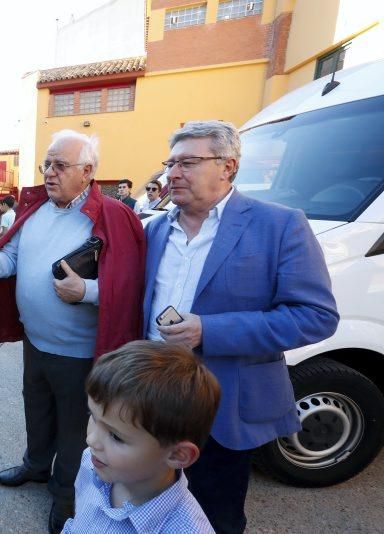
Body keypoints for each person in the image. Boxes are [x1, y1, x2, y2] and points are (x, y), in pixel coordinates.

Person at [144, 120, 339, 533]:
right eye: (170, 163)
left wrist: (208, 331)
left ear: (228, 166)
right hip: (152, 396)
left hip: (222, 404)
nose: (172, 174)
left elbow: (316, 315)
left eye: (188, 163)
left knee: (215, 516)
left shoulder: (280, 224)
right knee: (153, 507)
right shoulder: (156, 228)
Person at [0, 129, 145, 534]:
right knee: (37, 409)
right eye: (46, 164)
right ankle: (34, 465)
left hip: (80, 351)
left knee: (75, 428)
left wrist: (87, 290)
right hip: (36, 342)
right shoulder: (35, 211)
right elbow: (13, 255)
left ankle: (66, 493)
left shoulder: (112, 216)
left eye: (60, 165)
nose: (49, 172)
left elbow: (131, 284)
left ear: (87, 172)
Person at [64, 340, 221, 534]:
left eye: (115, 436)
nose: (92, 441)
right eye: (93, 418)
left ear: (178, 455)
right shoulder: (91, 462)